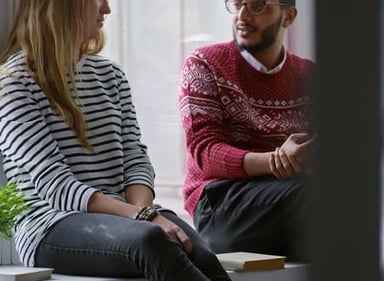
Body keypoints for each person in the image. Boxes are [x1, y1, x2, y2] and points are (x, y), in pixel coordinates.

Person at [0, 1, 231, 281]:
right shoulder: (13, 84)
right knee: (151, 240)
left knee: (201, 252)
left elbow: (135, 158)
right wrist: (141, 218)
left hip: (125, 216)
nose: (107, 9)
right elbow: (56, 186)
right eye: (99, 0)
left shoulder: (111, 76)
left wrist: (142, 212)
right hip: (50, 226)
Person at [178, 0, 314, 261]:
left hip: (287, 199)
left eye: (257, 6)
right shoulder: (204, 64)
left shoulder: (309, 76)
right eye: (237, 4)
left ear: (288, 16)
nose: (241, 15)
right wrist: (277, 160)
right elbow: (205, 154)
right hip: (221, 202)